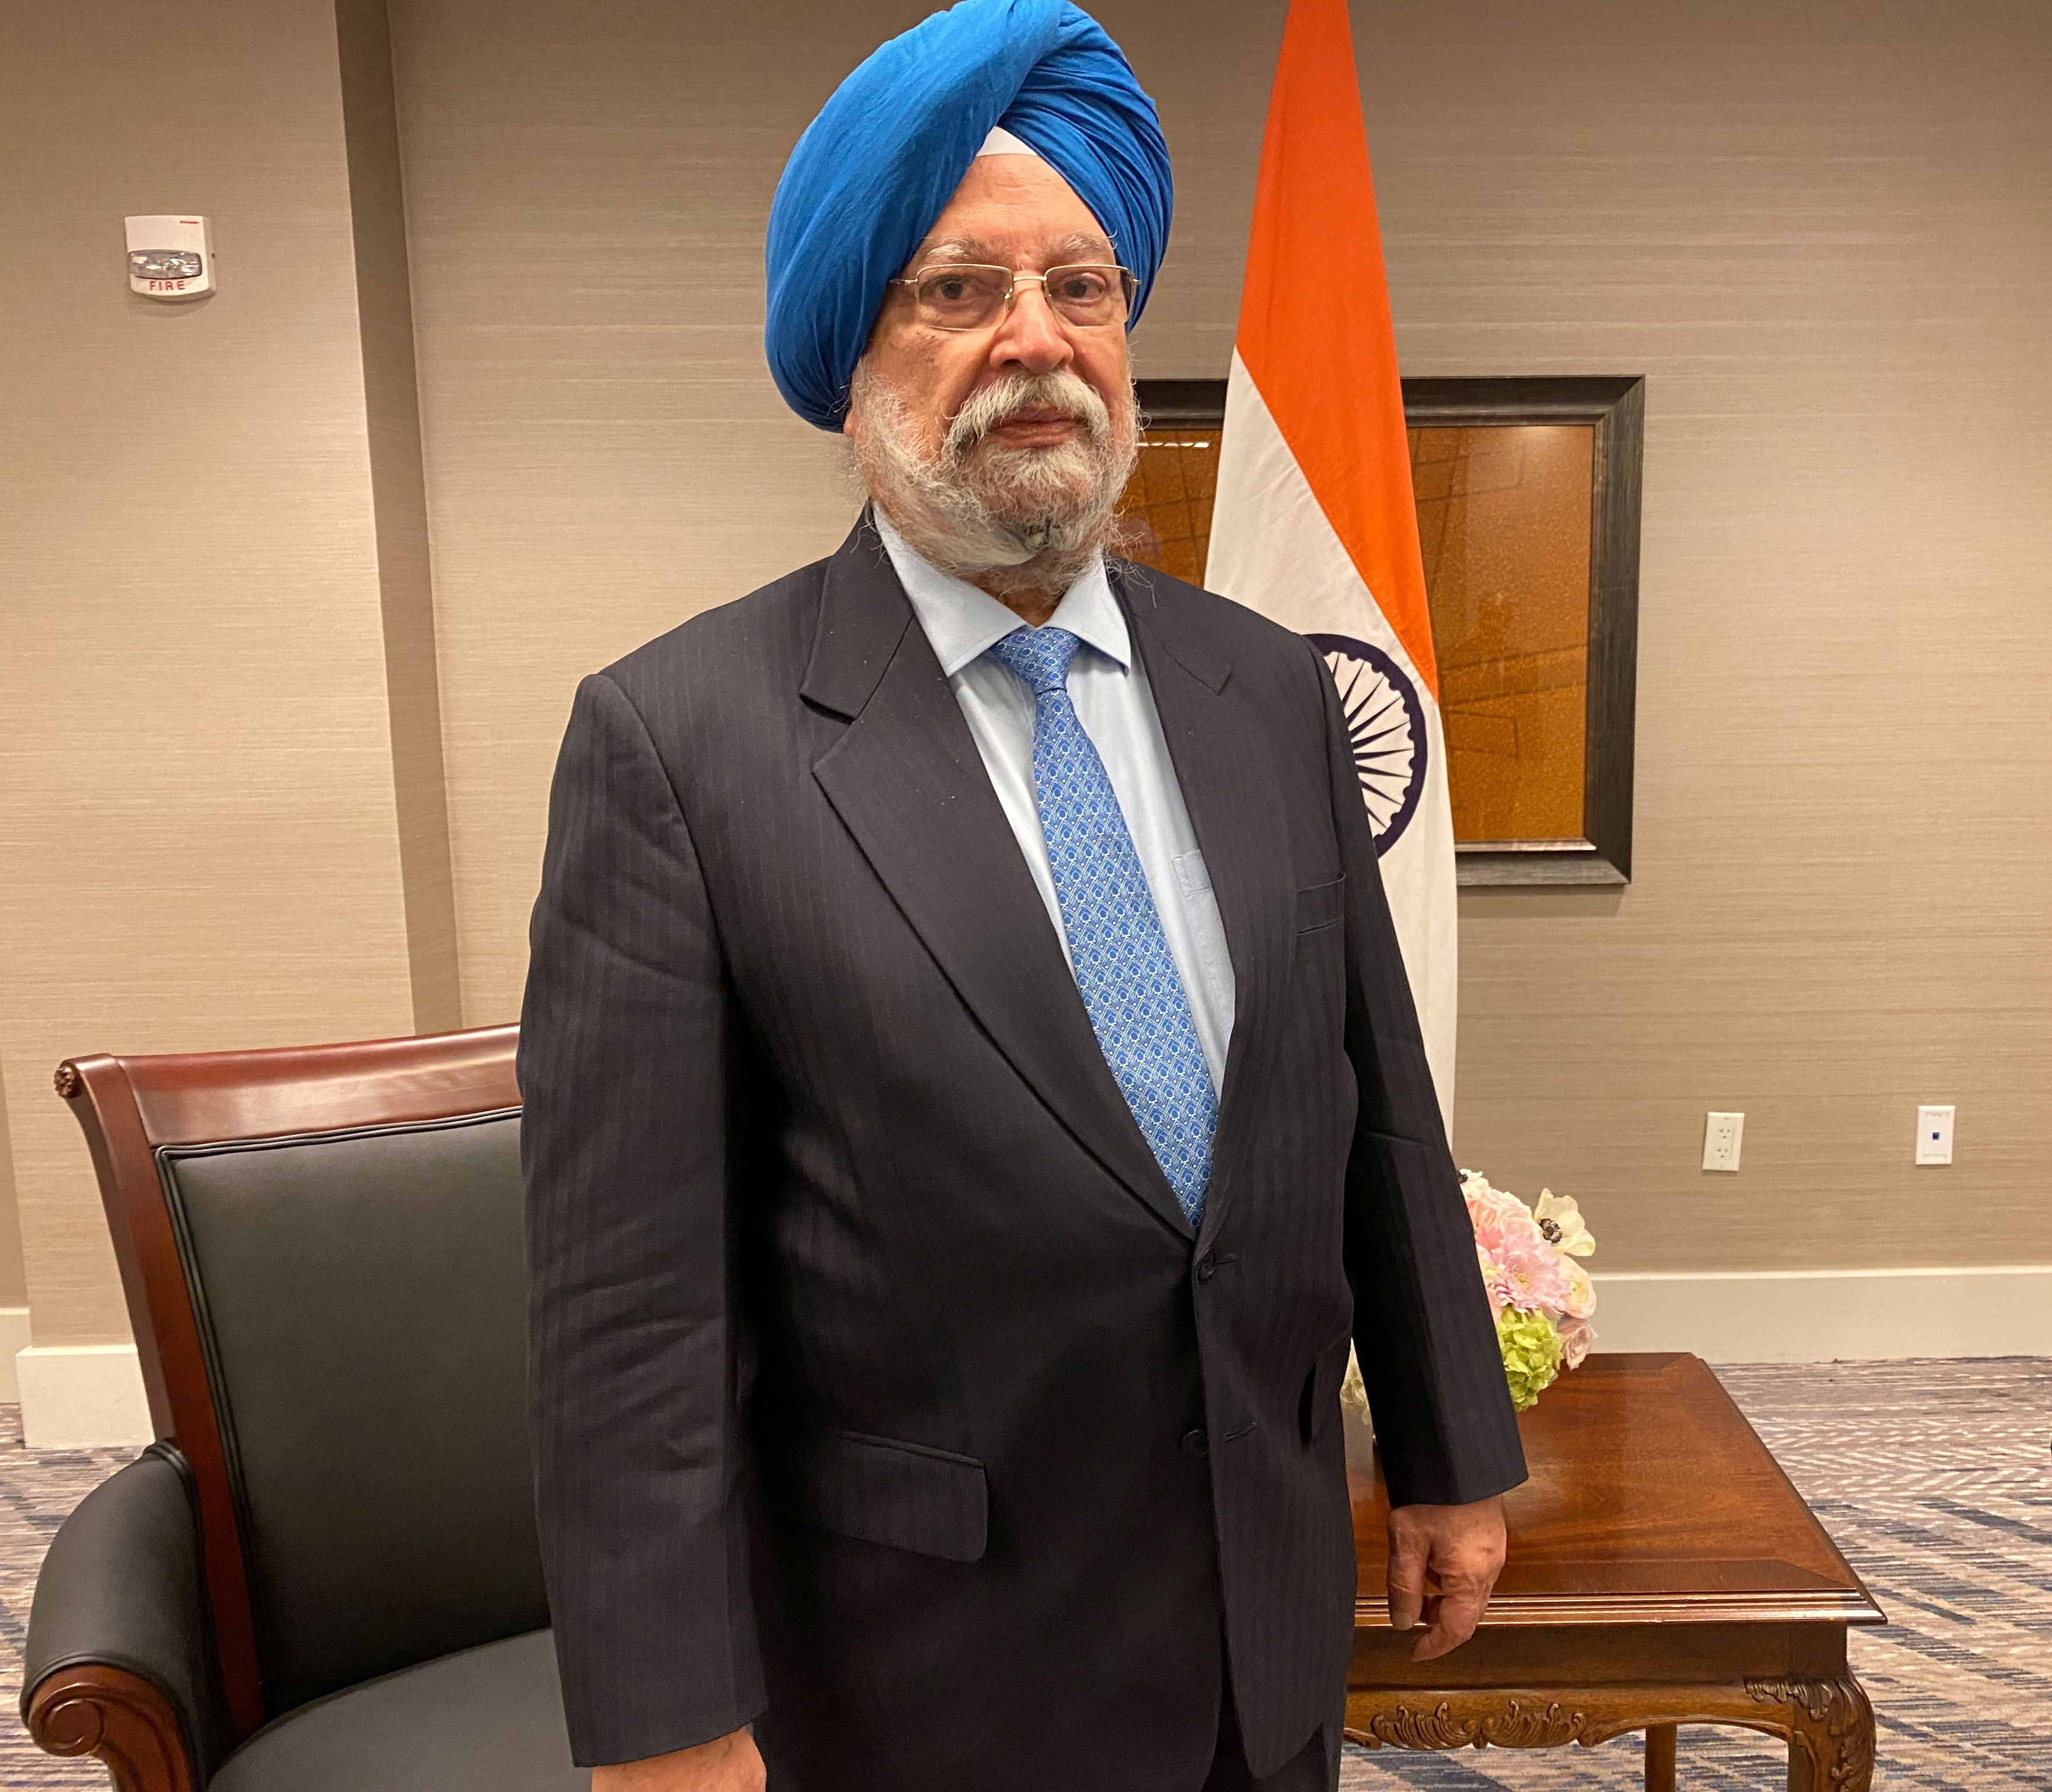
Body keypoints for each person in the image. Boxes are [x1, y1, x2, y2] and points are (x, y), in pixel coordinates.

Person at [518, 2, 1526, 1787]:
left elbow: (1370, 1110)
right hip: (930, 1677)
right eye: (958, 290)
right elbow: (631, 1313)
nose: (1036, 343)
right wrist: (666, 1719)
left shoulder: (1270, 690)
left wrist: (1449, 1444)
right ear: (854, 356)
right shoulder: (678, 744)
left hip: (1265, 1626)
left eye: (1083, 288)